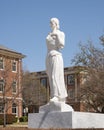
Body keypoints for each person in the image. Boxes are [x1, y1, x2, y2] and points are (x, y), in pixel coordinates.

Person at [46, 18, 68, 103]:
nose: (50, 24)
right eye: (50, 22)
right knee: (50, 77)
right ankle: (53, 95)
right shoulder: (49, 34)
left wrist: (57, 35)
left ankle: (57, 95)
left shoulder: (61, 33)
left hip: (56, 55)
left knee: (55, 76)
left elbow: (62, 45)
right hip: (48, 56)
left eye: (52, 22)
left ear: (56, 23)